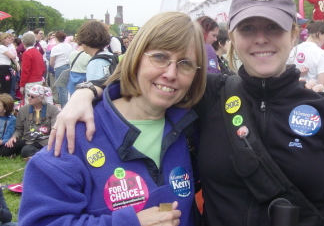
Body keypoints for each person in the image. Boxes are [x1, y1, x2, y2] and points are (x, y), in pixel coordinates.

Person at [49, 0, 324, 226]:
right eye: (248, 28)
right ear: (231, 35)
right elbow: (152, 78)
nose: (261, 38)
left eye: (273, 27)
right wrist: (87, 91)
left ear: (294, 34)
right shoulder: (208, 94)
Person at [19, 12, 204, 226]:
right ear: (136, 57)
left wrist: (89, 89)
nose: (171, 73)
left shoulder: (192, 127)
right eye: (160, 57)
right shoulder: (74, 135)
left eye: (185, 63)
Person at [6, 85, 59, 159]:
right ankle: (43, 156)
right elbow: (19, 129)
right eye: (28, 95)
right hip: (30, 142)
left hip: (47, 141)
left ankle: (39, 156)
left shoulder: (53, 110)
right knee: (25, 151)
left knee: (55, 148)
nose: (29, 98)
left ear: (41, 98)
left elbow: (55, 129)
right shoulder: (23, 110)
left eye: (32, 97)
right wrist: (14, 136)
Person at [287, 20, 324, 87]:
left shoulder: (293, 50)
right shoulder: (322, 54)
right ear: (318, 33)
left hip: (292, 92)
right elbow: (323, 84)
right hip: (312, 95)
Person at [19, 32, 46, 103]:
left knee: (29, 103)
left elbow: (25, 71)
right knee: (37, 103)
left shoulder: (27, 54)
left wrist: (22, 85)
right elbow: (43, 68)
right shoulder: (38, 52)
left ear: (23, 42)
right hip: (39, 80)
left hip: (30, 81)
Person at [50, 31, 73, 108]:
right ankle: (69, 104)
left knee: (61, 88)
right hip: (68, 66)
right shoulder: (69, 46)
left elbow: (51, 62)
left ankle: (64, 107)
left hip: (59, 67)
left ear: (56, 38)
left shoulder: (55, 48)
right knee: (67, 87)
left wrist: (53, 67)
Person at [0, 93, 24, 158]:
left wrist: (2, 141)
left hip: (3, 143)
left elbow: (8, 137)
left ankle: (7, 153)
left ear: (5, 108)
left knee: (20, 142)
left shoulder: (12, 119)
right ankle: (9, 154)